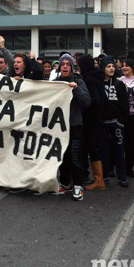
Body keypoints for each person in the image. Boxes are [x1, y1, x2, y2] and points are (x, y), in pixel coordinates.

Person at [54, 55, 90, 200]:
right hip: (59, 126)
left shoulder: (79, 82)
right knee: (62, 156)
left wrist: (75, 89)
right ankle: (65, 182)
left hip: (74, 125)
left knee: (75, 156)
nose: (64, 67)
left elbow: (87, 102)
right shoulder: (55, 83)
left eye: (68, 64)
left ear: (72, 67)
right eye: (62, 64)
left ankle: (78, 185)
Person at [99, 56, 128, 187]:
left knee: (119, 151)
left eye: (112, 66)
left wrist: (121, 121)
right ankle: (104, 176)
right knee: (103, 151)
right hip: (102, 124)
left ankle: (122, 177)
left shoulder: (119, 84)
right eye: (108, 66)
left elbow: (124, 103)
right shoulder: (98, 83)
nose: (111, 69)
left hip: (116, 123)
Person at [78, 55, 107, 191]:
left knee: (91, 147)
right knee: (91, 147)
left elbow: (94, 100)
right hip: (97, 117)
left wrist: (85, 106)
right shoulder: (97, 77)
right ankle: (97, 178)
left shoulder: (89, 79)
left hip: (90, 119)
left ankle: (98, 180)